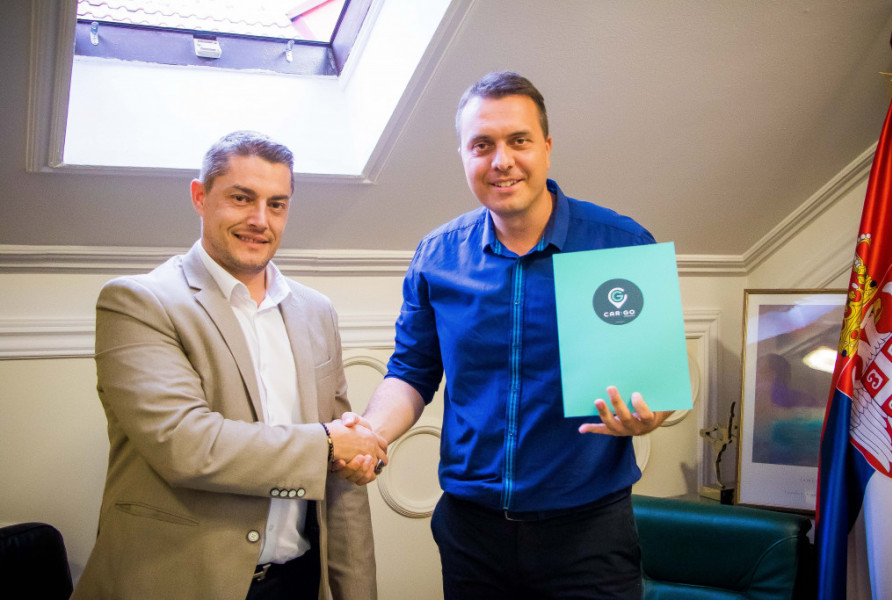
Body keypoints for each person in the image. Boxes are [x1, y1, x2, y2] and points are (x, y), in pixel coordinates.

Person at [355, 72, 674, 599]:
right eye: (482, 145)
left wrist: (649, 415)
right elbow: (410, 372)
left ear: (546, 146)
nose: (501, 160)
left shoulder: (620, 246)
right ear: (464, 155)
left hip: (589, 535)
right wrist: (370, 433)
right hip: (471, 534)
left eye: (518, 140)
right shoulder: (437, 256)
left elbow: (654, 384)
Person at [73, 131, 386, 600]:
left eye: (276, 204)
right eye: (242, 198)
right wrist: (327, 444)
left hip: (299, 581)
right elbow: (187, 445)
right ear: (200, 197)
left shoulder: (316, 311)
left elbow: (341, 474)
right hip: (180, 583)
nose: (260, 220)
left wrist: (356, 589)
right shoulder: (139, 302)